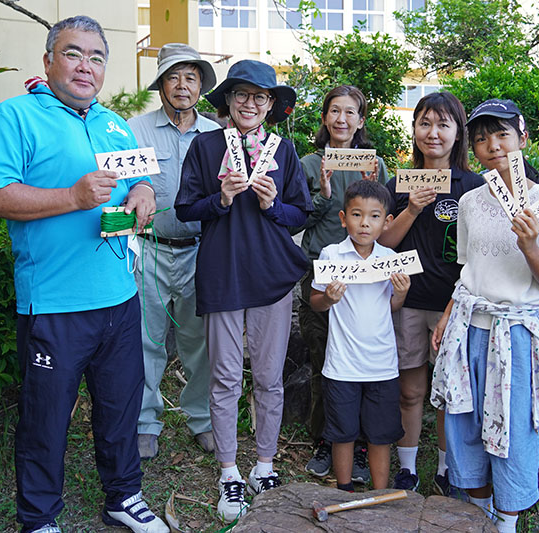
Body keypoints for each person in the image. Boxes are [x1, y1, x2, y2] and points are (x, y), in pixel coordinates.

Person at [0, 16, 168, 533]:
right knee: (46, 419)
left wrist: (144, 194)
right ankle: (39, 518)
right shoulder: (13, 117)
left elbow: (139, 180)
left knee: (120, 406)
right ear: (48, 61)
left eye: (97, 57)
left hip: (120, 296)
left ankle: (123, 496)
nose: (86, 66)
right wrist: (73, 198)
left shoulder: (113, 123)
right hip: (54, 304)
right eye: (74, 53)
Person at [174, 59, 312, 522]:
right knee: (226, 378)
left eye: (261, 96)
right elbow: (186, 207)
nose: (250, 103)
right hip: (223, 273)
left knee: (270, 377)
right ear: (228, 101)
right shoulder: (206, 146)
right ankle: (230, 471)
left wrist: (274, 205)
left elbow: (300, 214)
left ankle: (265, 464)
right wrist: (223, 198)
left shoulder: (283, 151)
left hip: (271, 276)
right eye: (241, 95)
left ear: (271, 105)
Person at [430, 99, 539, 533]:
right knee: (463, 421)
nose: (491, 145)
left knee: (514, 431)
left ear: (522, 138)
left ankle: (506, 523)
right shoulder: (471, 202)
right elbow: (468, 269)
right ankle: (480, 514)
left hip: (515, 334)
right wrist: (447, 315)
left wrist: (530, 245)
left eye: (501, 134)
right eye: (480, 138)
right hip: (468, 329)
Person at [377, 91, 483, 495]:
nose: (433, 133)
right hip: (406, 301)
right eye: (424, 123)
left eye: (443, 124)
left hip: (453, 305)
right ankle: (407, 468)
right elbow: (382, 244)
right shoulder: (399, 183)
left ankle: (445, 468)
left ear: (458, 133)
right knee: (410, 389)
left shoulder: (473, 186)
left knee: (448, 392)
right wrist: (411, 209)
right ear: (415, 129)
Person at [127, 43, 220, 460]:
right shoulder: (134, 130)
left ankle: (200, 417)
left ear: (201, 84)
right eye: (173, 77)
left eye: (191, 77)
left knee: (198, 341)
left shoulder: (218, 135)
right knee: (146, 339)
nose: (182, 86)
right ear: (161, 84)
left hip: (201, 251)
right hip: (148, 248)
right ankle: (146, 421)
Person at [292, 85, 387, 484]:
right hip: (322, 272)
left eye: (350, 112)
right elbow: (296, 221)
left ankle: (361, 445)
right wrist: (325, 195)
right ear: (324, 118)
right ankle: (327, 440)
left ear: (361, 120)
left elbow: (384, 219)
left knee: (363, 365)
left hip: (366, 280)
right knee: (323, 360)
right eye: (334, 111)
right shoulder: (309, 164)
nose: (342, 119)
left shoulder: (375, 166)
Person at [310, 180, 410, 491]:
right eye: (356, 214)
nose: (364, 223)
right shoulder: (331, 254)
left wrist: (402, 293)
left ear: (387, 221)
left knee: (380, 434)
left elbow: (392, 306)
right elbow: (315, 303)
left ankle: (380, 496)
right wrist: (329, 298)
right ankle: (344, 491)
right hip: (342, 364)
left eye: (374, 216)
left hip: (381, 364)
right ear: (343, 218)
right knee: (342, 432)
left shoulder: (390, 259)